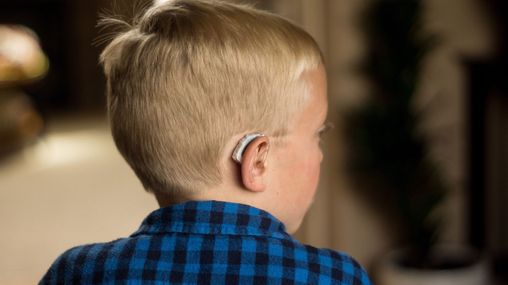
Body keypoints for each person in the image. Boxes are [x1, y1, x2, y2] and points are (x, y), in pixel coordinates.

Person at [40, 0, 372, 284]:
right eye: (317, 134)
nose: (321, 154)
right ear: (257, 160)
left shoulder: (77, 272)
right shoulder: (335, 276)